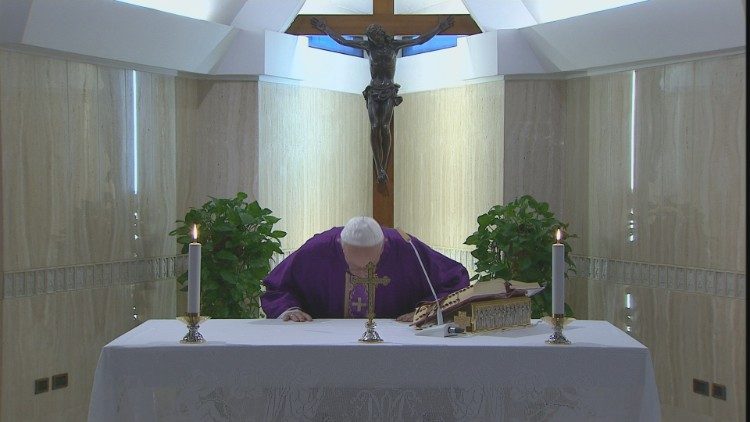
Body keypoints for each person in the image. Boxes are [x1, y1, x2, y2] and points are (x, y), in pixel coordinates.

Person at [311, 16, 455, 184]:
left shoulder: (393, 46)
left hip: (388, 90)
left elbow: (420, 41)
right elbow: (342, 42)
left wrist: (440, 27)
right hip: (373, 90)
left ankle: (383, 166)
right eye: (371, 37)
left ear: (380, 34)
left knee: (384, 127)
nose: (373, 39)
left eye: (375, 36)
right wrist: (324, 28)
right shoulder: (368, 47)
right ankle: (379, 166)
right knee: (374, 126)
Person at [261, 216, 469, 322]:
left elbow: (455, 279)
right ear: (341, 248)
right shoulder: (318, 250)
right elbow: (277, 286)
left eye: (371, 266)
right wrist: (290, 310)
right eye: (354, 266)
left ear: (383, 247)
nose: (363, 274)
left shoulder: (406, 248)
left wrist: (427, 310)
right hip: (329, 348)